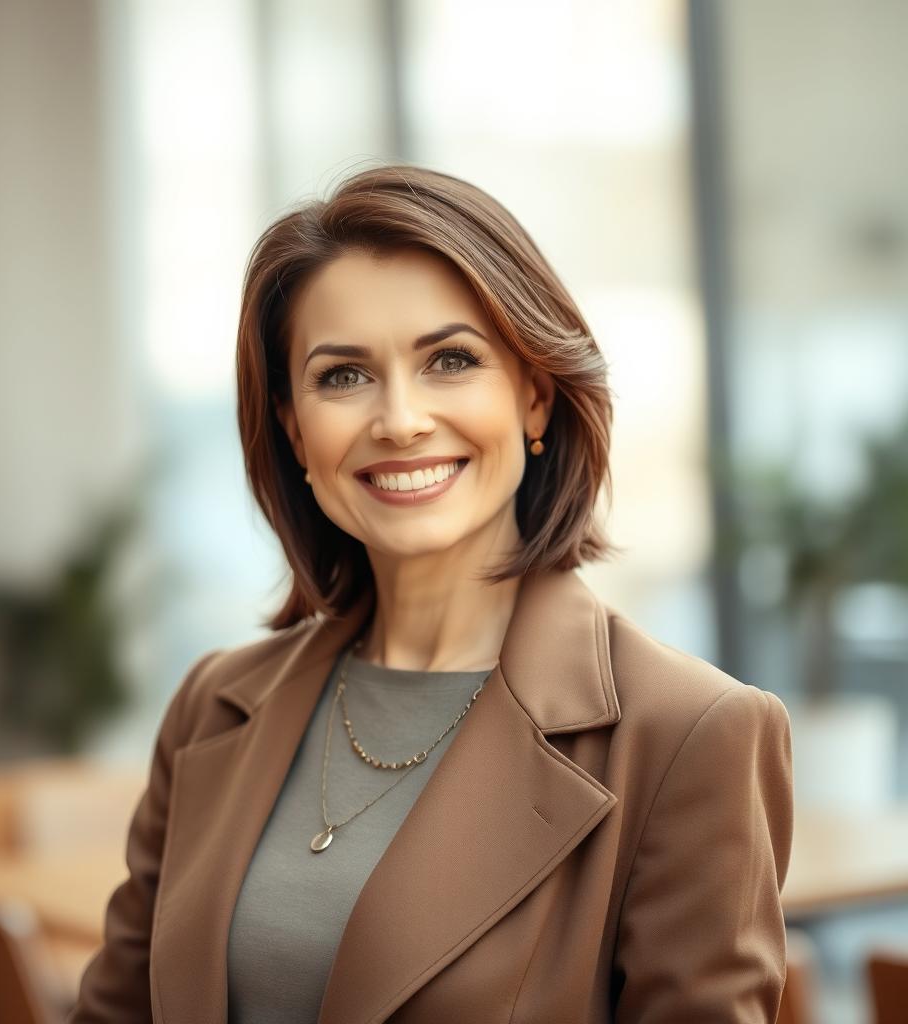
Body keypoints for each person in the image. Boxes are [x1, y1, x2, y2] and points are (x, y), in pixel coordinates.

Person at [69, 164, 793, 1023]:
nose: (400, 419)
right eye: (343, 375)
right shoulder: (214, 706)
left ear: (534, 395)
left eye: (450, 360)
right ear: (296, 428)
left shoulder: (689, 734)